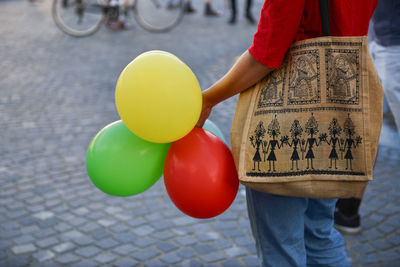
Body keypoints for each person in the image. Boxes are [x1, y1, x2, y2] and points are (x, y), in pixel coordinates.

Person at [195, 0, 378, 266]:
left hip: (282, 123)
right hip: (338, 112)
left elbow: (266, 55)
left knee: (282, 247)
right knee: (320, 236)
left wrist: (208, 99)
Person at [334, 0, 400, 235]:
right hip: (376, 39)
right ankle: (348, 210)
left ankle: (348, 210)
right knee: (364, 129)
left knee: (365, 130)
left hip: (393, 47)